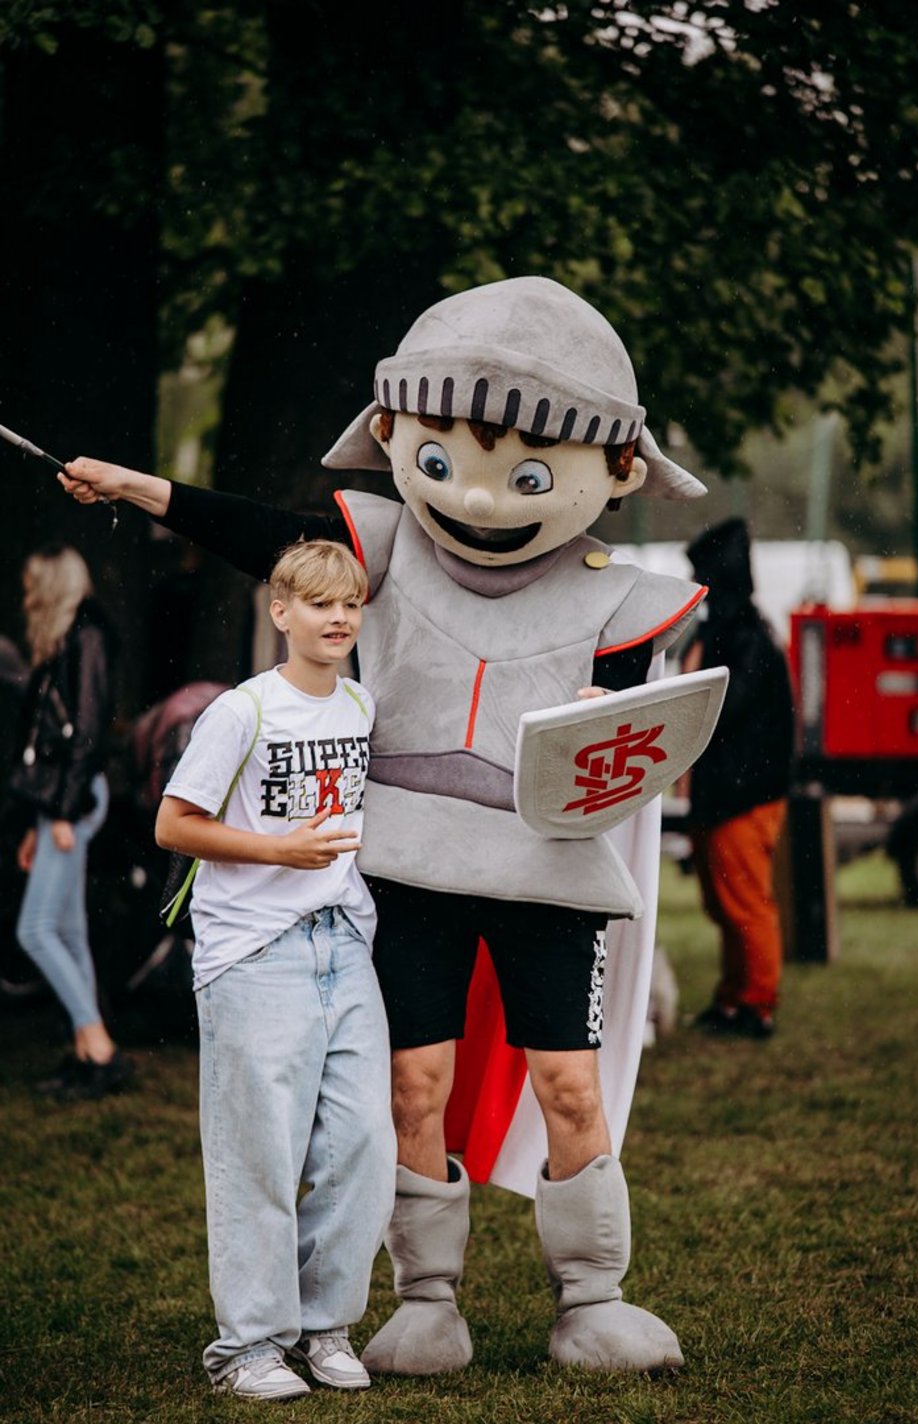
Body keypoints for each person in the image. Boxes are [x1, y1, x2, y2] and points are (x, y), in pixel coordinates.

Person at [61, 276, 709, 1374]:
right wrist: (135, 485)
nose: (485, 500)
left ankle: (591, 1294)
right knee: (415, 1081)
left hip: (548, 871)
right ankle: (426, 1296)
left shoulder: (617, 595)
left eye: (532, 473)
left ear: (616, 471)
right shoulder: (383, 548)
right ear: (392, 436)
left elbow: (629, 738)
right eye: (446, 460)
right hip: (405, 867)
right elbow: (258, 533)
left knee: (566, 1082)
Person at [154, 538, 396, 1401]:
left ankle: (327, 1327)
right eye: (319, 603)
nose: (337, 618)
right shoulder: (241, 712)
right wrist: (275, 852)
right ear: (281, 610)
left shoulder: (364, 706)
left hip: (344, 944)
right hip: (253, 952)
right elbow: (173, 826)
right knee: (259, 1154)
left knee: (365, 1144)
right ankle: (248, 1348)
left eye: (351, 604)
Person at [7, 543, 131, 1100]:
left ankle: (98, 1044)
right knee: (68, 931)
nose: (27, 596)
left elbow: (86, 732)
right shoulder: (65, 641)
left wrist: (60, 812)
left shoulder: (86, 636)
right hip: (58, 803)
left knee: (36, 931)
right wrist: (42, 820)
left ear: (54, 587)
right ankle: (90, 1053)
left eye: (35, 585)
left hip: (71, 800)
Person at [684, 518, 795, 1039]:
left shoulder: (745, 641)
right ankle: (734, 998)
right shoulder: (730, 634)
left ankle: (759, 1003)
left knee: (746, 902)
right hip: (724, 794)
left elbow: (721, 712)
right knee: (724, 902)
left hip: (744, 796)